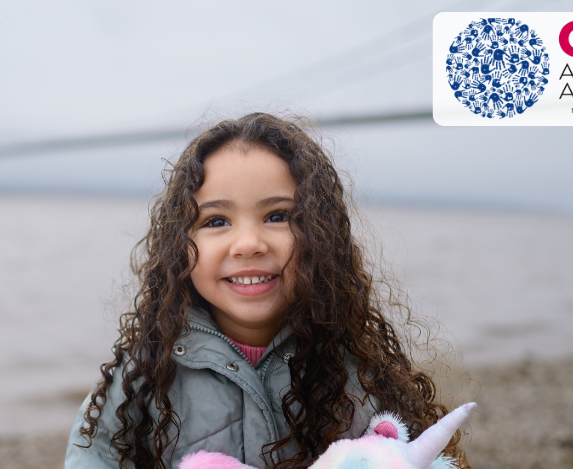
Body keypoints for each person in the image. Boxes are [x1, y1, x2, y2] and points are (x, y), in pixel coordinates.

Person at [65, 112, 469, 469]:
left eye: (278, 216)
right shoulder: (149, 367)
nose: (248, 243)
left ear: (321, 236)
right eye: (216, 221)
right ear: (178, 247)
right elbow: (93, 453)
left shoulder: (352, 365)